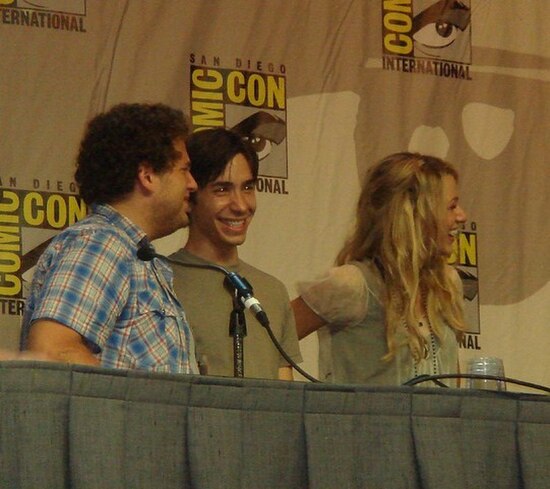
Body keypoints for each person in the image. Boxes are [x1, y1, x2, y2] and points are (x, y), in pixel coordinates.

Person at [20, 103, 200, 374]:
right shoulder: (102, 245)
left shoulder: (132, 254)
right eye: (184, 170)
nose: (193, 184)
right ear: (148, 175)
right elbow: (53, 350)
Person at [292, 152, 467, 386]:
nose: (462, 216)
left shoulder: (448, 284)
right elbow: (267, 339)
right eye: (451, 206)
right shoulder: (352, 284)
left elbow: (453, 382)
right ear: (413, 213)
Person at [171, 128, 302, 380]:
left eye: (248, 187)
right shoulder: (160, 281)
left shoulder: (272, 291)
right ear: (191, 194)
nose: (241, 205)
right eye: (222, 190)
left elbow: (285, 399)